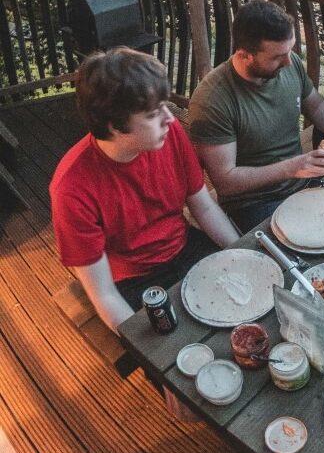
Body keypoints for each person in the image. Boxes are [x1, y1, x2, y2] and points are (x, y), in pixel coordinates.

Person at [50, 48, 241, 334]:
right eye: (153, 114)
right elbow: (103, 293)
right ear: (115, 126)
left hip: (185, 247)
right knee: (176, 346)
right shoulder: (72, 188)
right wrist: (144, 350)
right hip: (133, 281)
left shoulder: (171, 132)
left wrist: (241, 253)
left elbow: (203, 206)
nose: (170, 117)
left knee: (246, 303)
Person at [188, 0, 324, 231]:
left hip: (302, 183)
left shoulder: (289, 62)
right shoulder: (212, 100)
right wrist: (291, 168)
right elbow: (226, 182)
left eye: (290, 49)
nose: (288, 61)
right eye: (276, 57)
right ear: (244, 55)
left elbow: (315, 106)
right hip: (255, 203)